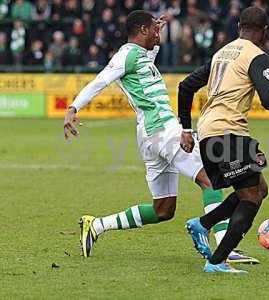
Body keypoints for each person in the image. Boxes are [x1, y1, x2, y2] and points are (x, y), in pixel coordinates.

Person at [63, 10, 257, 264]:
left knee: (163, 209)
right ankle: (225, 246)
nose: (159, 32)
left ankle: (97, 225)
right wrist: (73, 107)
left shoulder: (142, 56)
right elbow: (101, 80)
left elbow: (147, 53)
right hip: (164, 131)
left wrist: (156, 32)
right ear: (142, 30)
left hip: (149, 137)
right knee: (211, 179)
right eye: (154, 28)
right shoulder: (126, 55)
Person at [178, 6, 269, 273]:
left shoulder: (222, 53)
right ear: (263, 31)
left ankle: (202, 224)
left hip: (209, 131)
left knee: (258, 189)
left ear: (239, 26)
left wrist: (186, 128)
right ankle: (216, 262)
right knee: (251, 198)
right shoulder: (256, 56)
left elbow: (185, 86)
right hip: (227, 132)